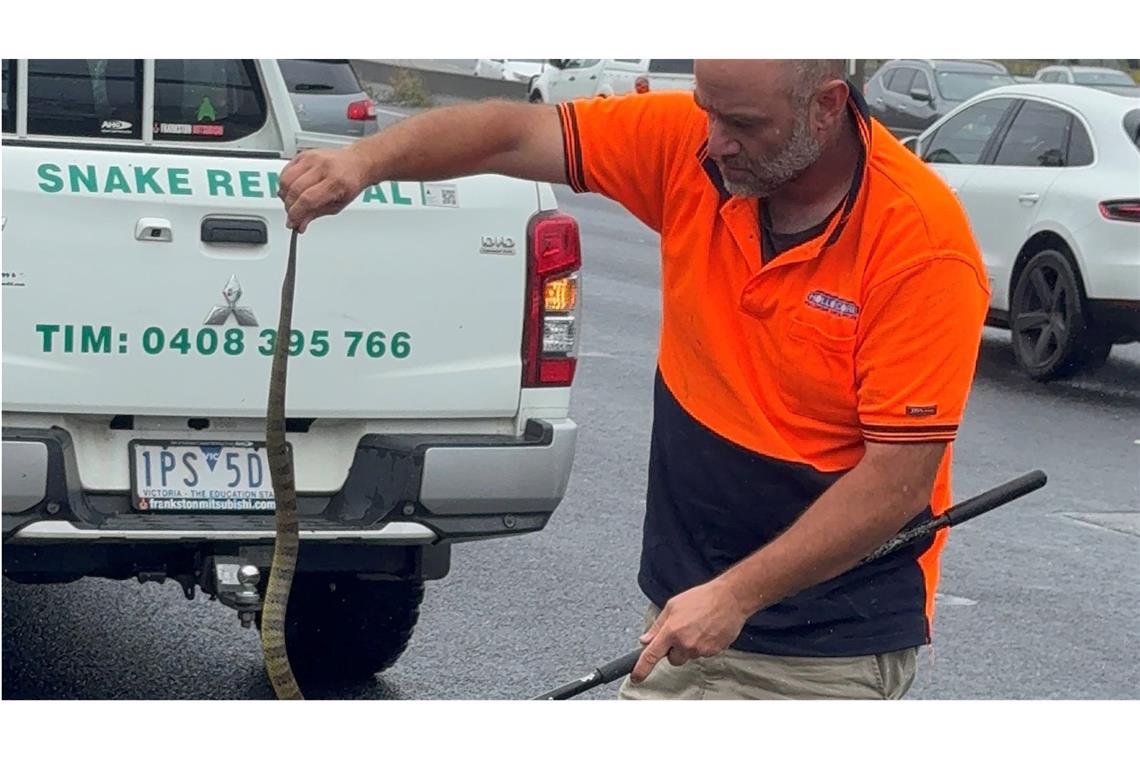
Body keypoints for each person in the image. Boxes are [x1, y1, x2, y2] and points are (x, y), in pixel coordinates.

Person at [278, 59, 990, 700]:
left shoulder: (919, 246)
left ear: (827, 106)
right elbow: (509, 134)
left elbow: (896, 483)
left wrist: (737, 594)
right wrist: (364, 162)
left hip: (823, 657)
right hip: (684, 621)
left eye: (742, 122)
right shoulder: (692, 144)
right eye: (707, 108)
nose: (715, 140)